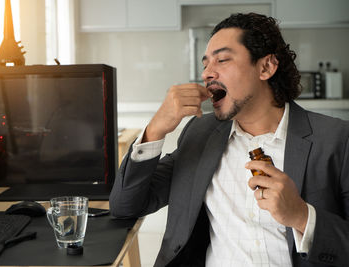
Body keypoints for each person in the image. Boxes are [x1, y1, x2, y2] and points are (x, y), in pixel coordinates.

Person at [109, 13, 349, 267]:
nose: (207, 74)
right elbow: (126, 206)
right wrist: (155, 129)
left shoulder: (337, 140)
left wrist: (302, 216)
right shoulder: (200, 134)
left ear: (266, 67)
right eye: (205, 64)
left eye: (222, 60)